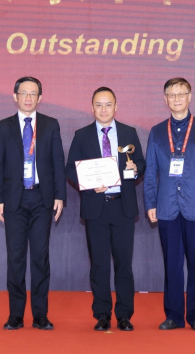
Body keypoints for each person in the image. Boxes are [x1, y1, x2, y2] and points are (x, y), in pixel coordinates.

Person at [65, 87, 146, 332]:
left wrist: (134, 169)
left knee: (124, 264)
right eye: (99, 105)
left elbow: (140, 164)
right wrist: (89, 186)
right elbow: (70, 169)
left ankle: (124, 315)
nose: (103, 109)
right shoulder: (82, 135)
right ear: (92, 107)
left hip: (122, 206)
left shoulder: (129, 133)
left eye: (108, 104)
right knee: (99, 265)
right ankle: (101, 314)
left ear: (116, 106)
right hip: (96, 208)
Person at [144, 77, 195, 331]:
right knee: (172, 264)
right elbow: (151, 171)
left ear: (190, 96)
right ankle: (173, 315)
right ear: (165, 99)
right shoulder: (156, 132)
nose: (176, 99)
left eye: (181, 94)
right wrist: (150, 202)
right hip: (166, 206)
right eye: (171, 95)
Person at [0, 76, 66, 331]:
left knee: (40, 257)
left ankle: (40, 315)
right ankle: (15, 315)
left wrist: (59, 196)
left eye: (34, 94)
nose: (29, 98)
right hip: (14, 200)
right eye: (24, 93)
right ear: (15, 96)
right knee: (16, 259)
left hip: (42, 198)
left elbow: (58, 163)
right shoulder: (3, 127)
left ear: (40, 98)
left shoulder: (51, 125)